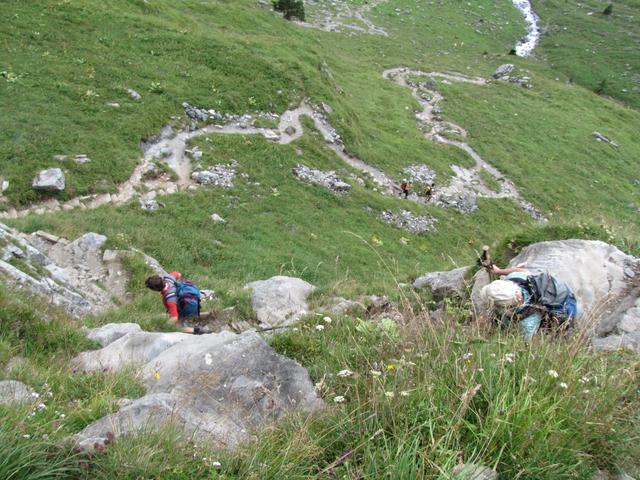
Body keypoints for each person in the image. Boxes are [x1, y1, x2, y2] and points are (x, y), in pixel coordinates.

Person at [480, 264, 578, 340]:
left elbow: (527, 344)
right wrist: (498, 271)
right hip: (557, 286)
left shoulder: (528, 322)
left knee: (557, 328)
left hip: (565, 304)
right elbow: (522, 271)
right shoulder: (515, 279)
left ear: (504, 307)